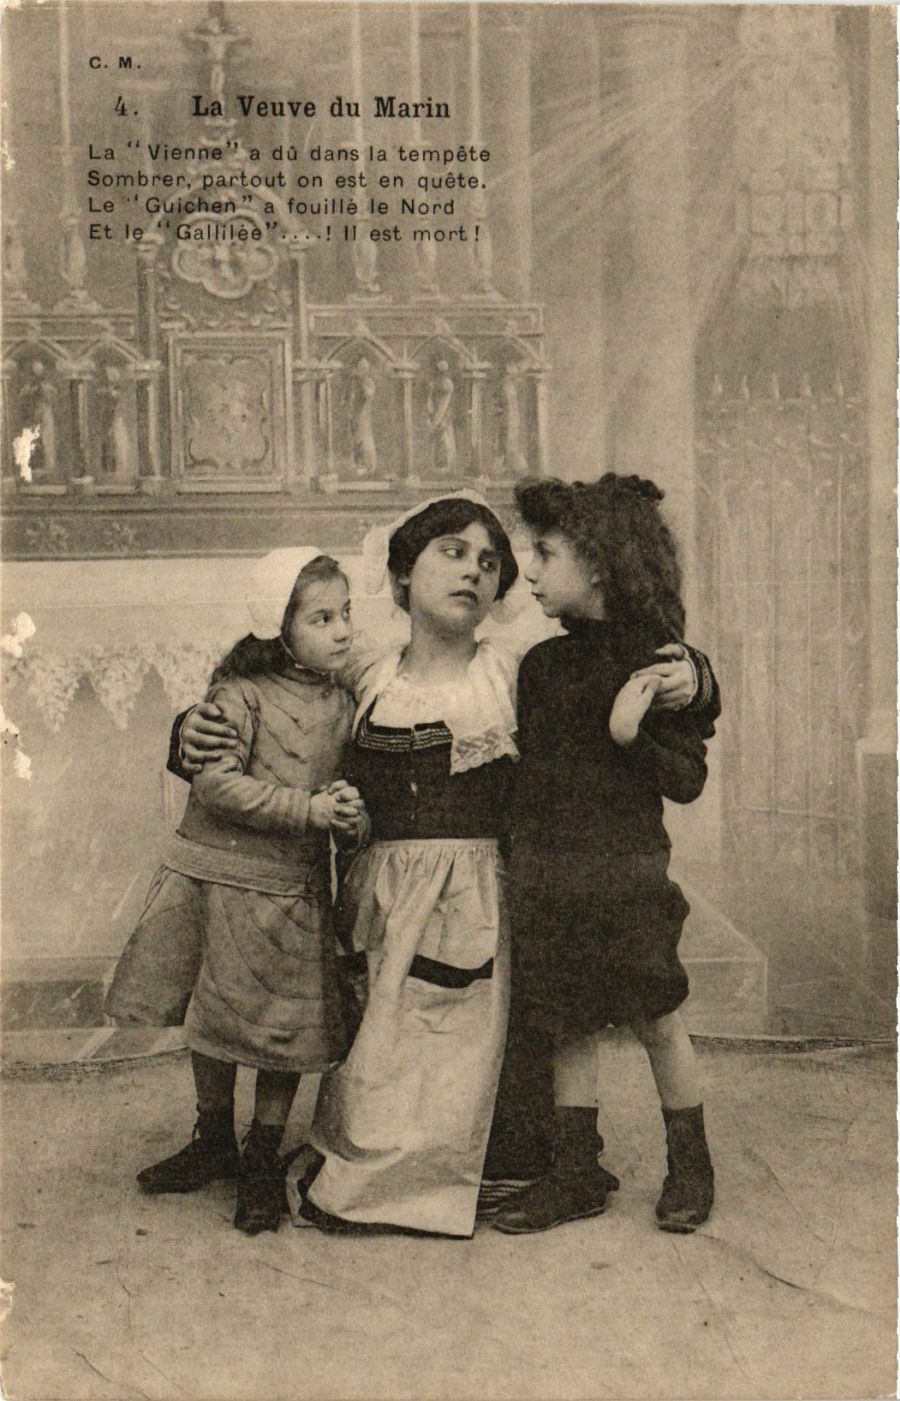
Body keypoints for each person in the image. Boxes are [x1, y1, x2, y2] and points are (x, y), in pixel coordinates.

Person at [177, 491, 717, 1238]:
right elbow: (273, 687)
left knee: (484, 1068)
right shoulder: (364, 673)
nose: (474, 572)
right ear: (402, 574)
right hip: (384, 907)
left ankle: (540, 1160)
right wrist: (192, 727)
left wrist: (692, 672)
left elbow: (614, 669)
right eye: (453, 554)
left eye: (490, 563)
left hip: (485, 908)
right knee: (379, 1072)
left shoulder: (515, 673)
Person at [106, 548, 365, 1235]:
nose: (343, 630)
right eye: (322, 618)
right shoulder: (237, 695)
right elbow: (216, 784)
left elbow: (349, 789)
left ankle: (262, 1153)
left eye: (346, 614)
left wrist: (348, 814)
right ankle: (214, 1135)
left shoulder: (345, 702)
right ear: (278, 625)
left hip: (289, 888)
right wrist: (307, 809)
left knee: (285, 1024)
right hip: (218, 879)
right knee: (215, 1015)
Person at [486, 475, 717, 1237]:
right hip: (553, 878)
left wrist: (631, 735)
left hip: (627, 879)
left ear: (600, 562)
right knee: (568, 1023)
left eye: (546, 554)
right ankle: (576, 1169)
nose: (531, 572)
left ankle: (691, 1166)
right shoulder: (541, 665)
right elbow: (532, 776)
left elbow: (686, 779)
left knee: (657, 1018)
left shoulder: (660, 665)